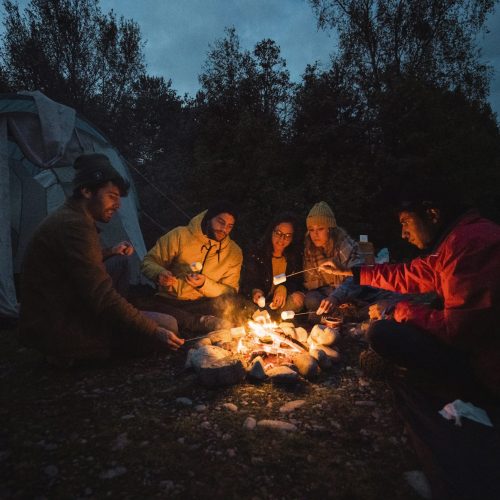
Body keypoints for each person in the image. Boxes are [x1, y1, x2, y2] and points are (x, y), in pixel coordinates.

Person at [319, 190, 500, 396]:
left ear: (432, 215)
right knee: (427, 310)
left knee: (382, 333)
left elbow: (458, 332)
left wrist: (400, 310)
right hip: (480, 350)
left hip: (487, 370)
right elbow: (408, 274)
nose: (403, 234)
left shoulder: (471, 247)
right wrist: (349, 271)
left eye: (405, 222)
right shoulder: (459, 239)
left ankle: (457, 387)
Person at [19, 153, 184, 365]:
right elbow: (101, 295)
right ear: (86, 191)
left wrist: (110, 251)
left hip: (62, 308)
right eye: (111, 196)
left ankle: (112, 324)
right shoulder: (74, 225)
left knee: (120, 261)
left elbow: (75, 262)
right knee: (168, 326)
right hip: (59, 326)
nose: (117, 205)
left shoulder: (73, 217)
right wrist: (153, 331)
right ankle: (70, 352)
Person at [140, 201, 243, 332]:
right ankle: (199, 322)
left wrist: (204, 284)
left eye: (229, 226)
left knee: (234, 303)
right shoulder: (180, 235)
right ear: (209, 218)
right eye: (221, 222)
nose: (224, 230)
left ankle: (198, 322)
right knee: (152, 307)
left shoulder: (234, 252)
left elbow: (230, 290)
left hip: (202, 302)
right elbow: (148, 261)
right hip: (170, 300)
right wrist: (159, 273)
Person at [241, 212, 304, 319]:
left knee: (297, 299)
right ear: (271, 232)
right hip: (258, 303)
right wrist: (256, 291)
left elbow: (297, 281)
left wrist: (284, 287)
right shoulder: (257, 254)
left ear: (293, 238)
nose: (281, 239)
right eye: (278, 233)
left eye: (287, 236)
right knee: (245, 306)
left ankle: (267, 317)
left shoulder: (295, 256)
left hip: (279, 305)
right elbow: (248, 281)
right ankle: (269, 317)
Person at [303, 201, 362, 315]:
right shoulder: (310, 249)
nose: (315, 234)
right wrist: (329, 295)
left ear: (330, 229)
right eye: (311, 229)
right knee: (311, 300)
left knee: (356, 300)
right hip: (326, 294)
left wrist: (336, 296)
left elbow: (357, 278)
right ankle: (336, 312)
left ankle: (341, 312)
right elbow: (312, 283)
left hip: (347, 292)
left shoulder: (344, 245)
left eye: (320, 229)